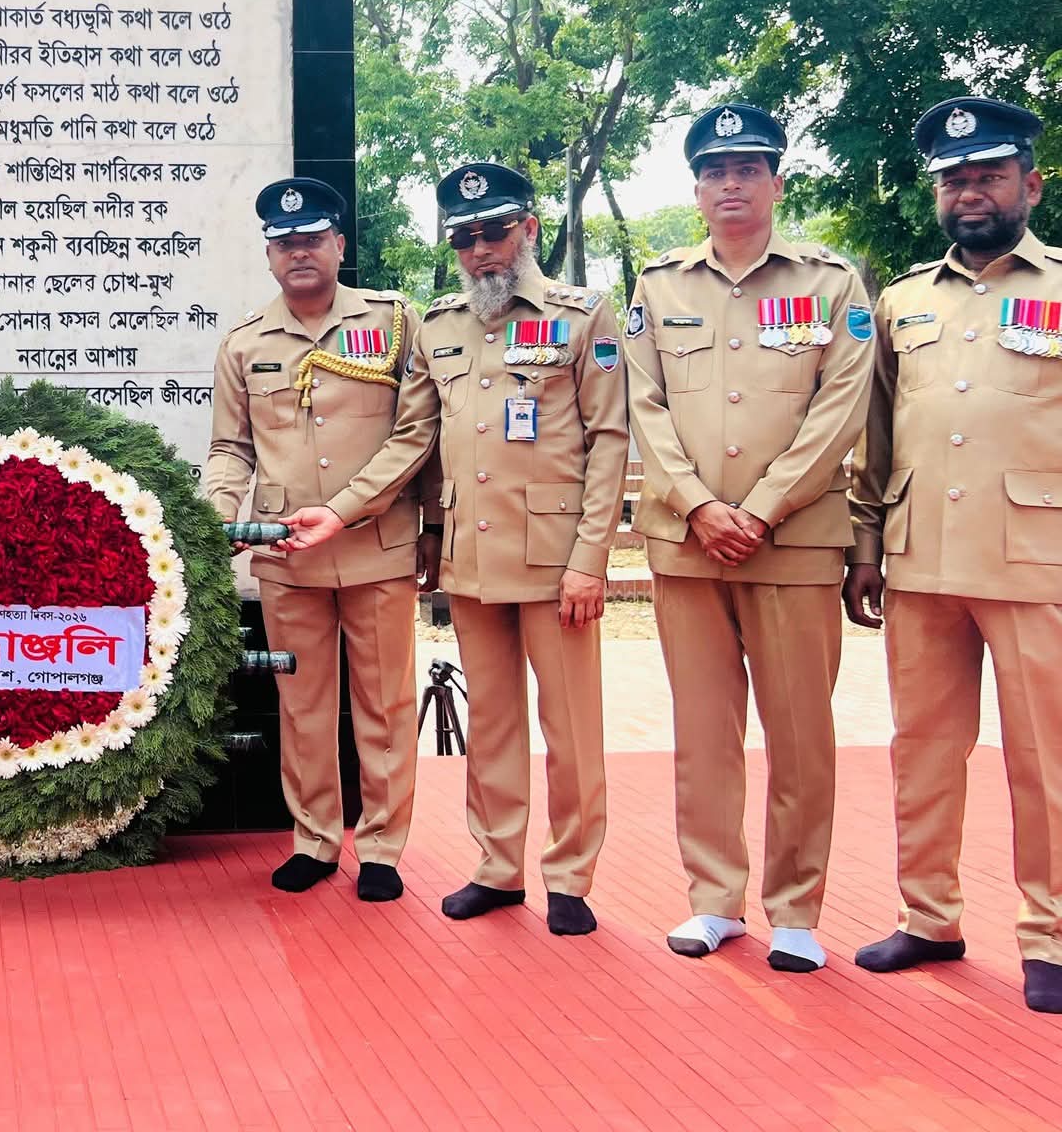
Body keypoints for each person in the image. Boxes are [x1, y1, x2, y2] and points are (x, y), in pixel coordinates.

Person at [621, 104, 872, 972]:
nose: (731, 184)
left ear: (776, 181)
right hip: (687, 544)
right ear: (695, 189)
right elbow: (642, 407)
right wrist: (695, 505)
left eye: (748, 169)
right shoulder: (659, 287)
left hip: (793, 542)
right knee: (703, 730)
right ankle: (713, 900)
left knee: (800, 732)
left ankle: (796, 908)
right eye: (715, 172)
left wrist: (761, 509)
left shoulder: (832, 282)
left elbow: (839, 409)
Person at [847, 96, 1062, 1014]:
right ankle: (928, 915)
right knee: (923, 751)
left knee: (1044, 759)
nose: (970, 193)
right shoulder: (902, 301)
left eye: (989, 175)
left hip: (1035, 561)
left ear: (1031, 185)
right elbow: (876, 435)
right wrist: (865, 548)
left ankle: (1050, 931)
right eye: (955, 180)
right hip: (921, 557)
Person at [386, 163, 621, 936]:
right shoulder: (440, 324)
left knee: (571, 727)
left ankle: (572, 875)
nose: (481, 249)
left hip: (556, 559)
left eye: (495, 231)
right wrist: (428, 535)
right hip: (470, 555)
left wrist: (592, 559)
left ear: (528, 228)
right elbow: (422, 439)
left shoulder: (583, 315)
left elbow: (609, 440)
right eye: (465, 237)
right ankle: (496, 865)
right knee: (490, 722)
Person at [205, 177, 437, 899]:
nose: (299, 252)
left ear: (339, 244)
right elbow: (230, 447)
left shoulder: (395, 321)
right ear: (270, 255)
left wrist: (345, 508)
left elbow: (416, 433)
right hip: (284, 554)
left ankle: (382, 850)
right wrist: (217, 514)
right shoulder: (245, 343)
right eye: (285, 243)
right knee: (302, 705)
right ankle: (313, 839)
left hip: (376, 547)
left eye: (313, 239)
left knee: (385, 704)